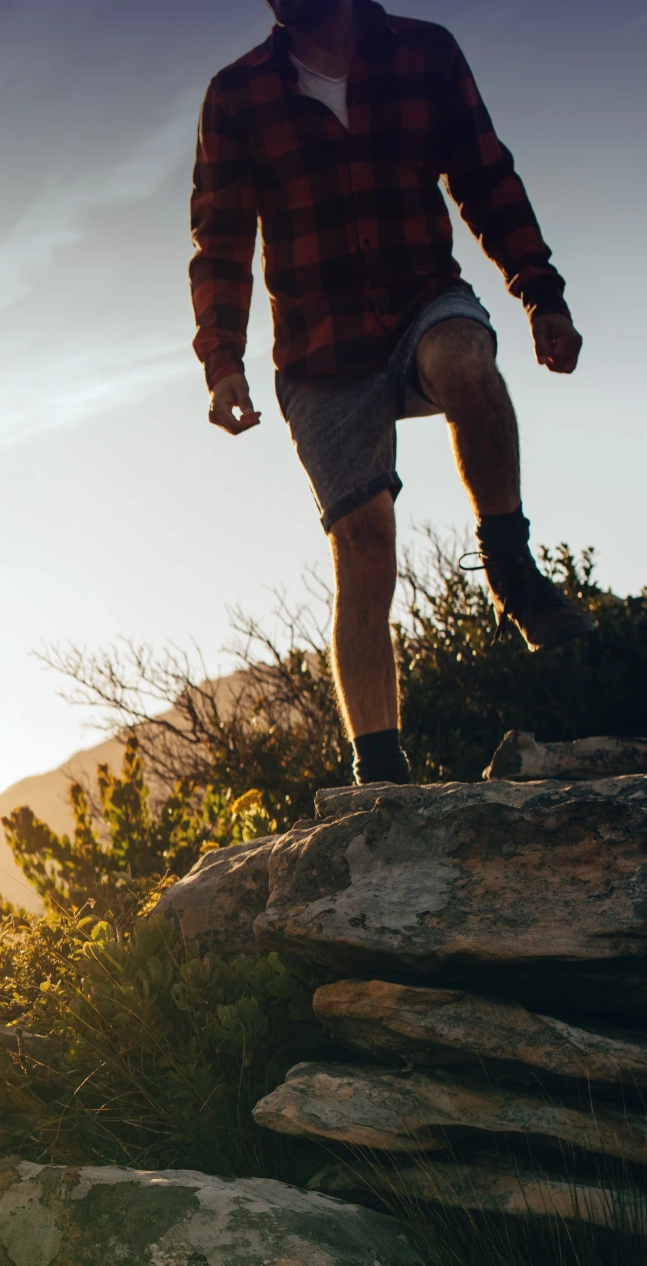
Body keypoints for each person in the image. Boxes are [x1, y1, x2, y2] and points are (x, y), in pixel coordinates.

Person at [192, 0, 593, 787]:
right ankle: (380, 772)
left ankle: (510, 566)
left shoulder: (424, 54)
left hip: (420, 300)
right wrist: (222, 359)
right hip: (321, 348)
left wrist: (540, 294)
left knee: (467, 367)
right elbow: (222, 236)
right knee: (365, 546)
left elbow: (486, 176)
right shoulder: (237, 95)